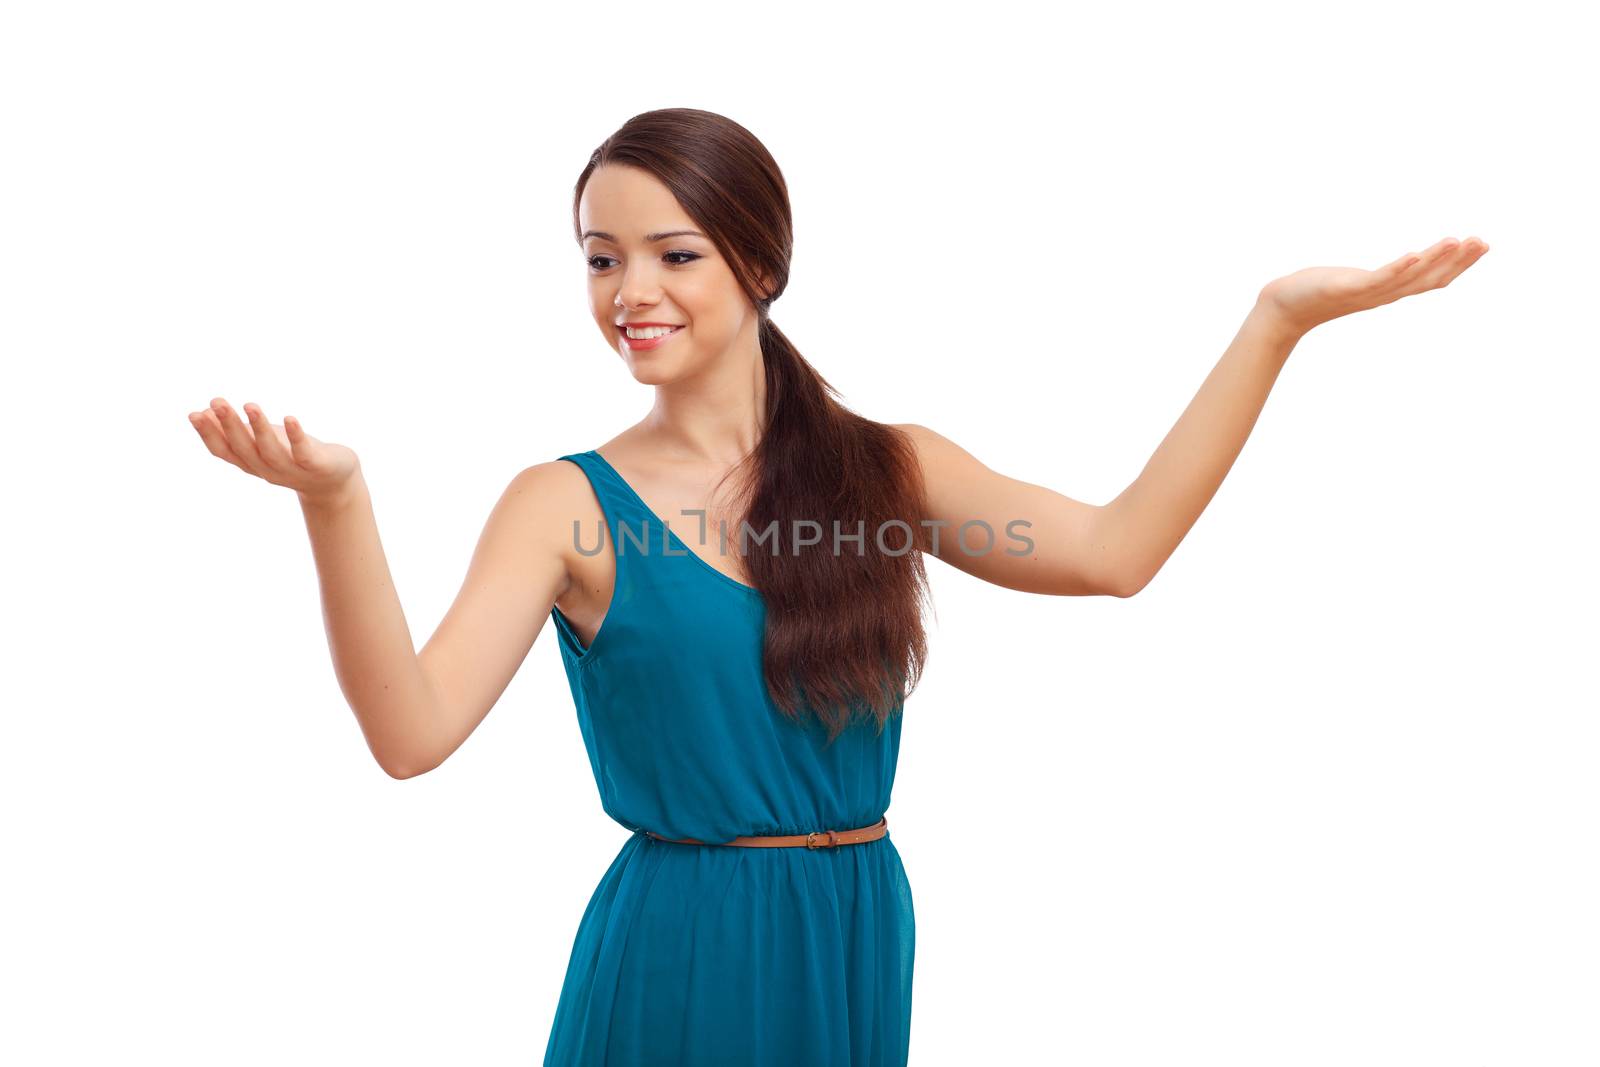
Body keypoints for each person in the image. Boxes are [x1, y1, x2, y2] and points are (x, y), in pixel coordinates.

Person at [187, 107, 1488, 1066]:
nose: (629, 292)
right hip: (680, 946)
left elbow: (1116, 550)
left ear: (759, 264)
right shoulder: (566, 506)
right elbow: (413, 735)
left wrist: (1275, 322)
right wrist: (336, 504)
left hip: (854, 922)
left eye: (673, 254)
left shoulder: (887, 470)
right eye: (600, 257)